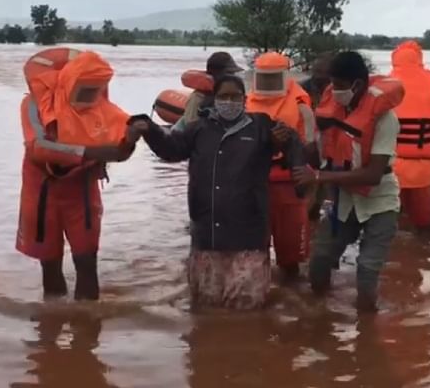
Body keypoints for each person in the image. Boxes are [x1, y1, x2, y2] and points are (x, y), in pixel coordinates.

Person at [126, 75, 306, 310]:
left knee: (247, 309)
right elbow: (171, 150)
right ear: (215, 100)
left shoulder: (262, 126)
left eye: (235, 97)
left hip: (248, 237)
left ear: (244, 100)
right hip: (206, 235)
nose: (229, 101)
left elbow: (293, 144)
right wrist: (149, 129)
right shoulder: (199, 129)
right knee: (205, 310)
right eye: (223, 96)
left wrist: (299, 173)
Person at [16, 49, 135, 301]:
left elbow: (119, 150)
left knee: (86, 259)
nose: (90, 96)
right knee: (49, 262)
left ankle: (88, 333)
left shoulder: (102, 110)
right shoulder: (33, 105)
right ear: (70, 83)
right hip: (43, 192)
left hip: (82, 191)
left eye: (96, 89)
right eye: (85, 89)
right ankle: (50, 327)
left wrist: (130, 141)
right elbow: (38, 148)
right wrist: (91, 151)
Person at [293, 51, 404, 312]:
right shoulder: (333, 112)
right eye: (332, 84)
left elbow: (373, 174)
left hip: (380, 202)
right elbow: (319, 156)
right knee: (319, 259)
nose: (334, 90)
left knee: (366, 269)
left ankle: (367, 327)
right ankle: (318, 318)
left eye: (339, 86)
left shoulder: (385, 119)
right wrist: (299, 139)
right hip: (345, 201)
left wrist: (319, 177)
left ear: (357, 84)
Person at [246, 52, 316, 282]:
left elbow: (311, 150)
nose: (267, 82)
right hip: (254, 185)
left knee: (291, 256)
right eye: (263, 77)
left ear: (286, 76)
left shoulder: (301, 106)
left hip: (289, 184)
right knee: (255, 252)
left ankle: (292, 299)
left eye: (273, 77)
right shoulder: (245, 102)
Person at [389, 41, 430, 229]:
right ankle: (421, 250)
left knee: (391, 223)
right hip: (421, 169)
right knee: (422, 223)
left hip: (390, 167)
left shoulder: (386, 88)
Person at [299, 52, 334, 224]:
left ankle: (313, 220)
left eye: (326, 77)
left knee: (325, 188)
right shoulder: (302, 90)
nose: (322, 81)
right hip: (308, 142)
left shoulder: (339, 89)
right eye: (318, 76)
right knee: (309, 188)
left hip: (330, 142)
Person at [173, 51, 244, 130]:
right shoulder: (198, 98)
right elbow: (190, 128)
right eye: (229, 73)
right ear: (215, 74)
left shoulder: (235, 97)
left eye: (233, 73)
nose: (233, 76)